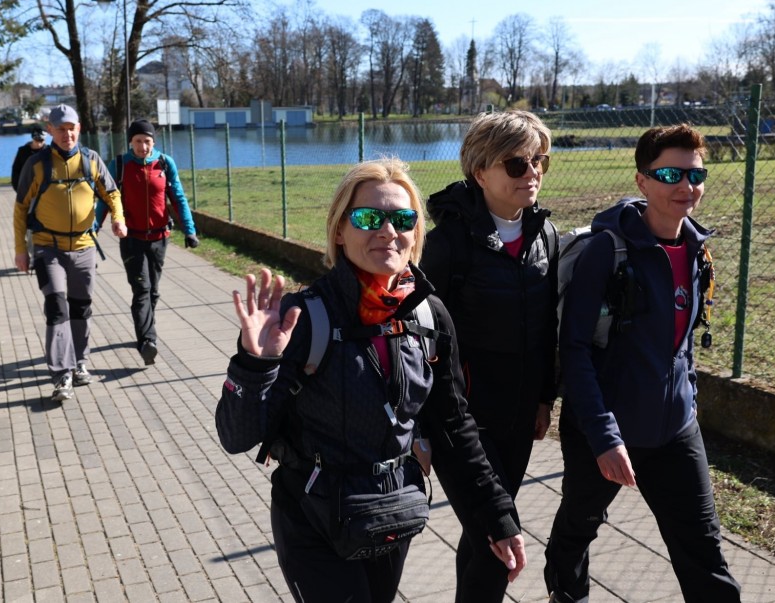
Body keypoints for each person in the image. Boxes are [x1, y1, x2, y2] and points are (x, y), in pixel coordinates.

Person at [215, 158, 527, 602]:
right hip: (312, 517)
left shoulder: (429, 316)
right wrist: (254, 364)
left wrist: (497, 514)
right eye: (367, 218)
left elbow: (454, 426)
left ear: (416, 233)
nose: (387, 230)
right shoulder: (301, 319)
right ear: (340, 230)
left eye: (402, 219)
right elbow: (236, 437)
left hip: (390, 511)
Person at [543, 124, 741, 602]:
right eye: (670, 174)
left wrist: (689, 400)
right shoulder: (606, 251)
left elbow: (682, 344)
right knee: (578, 530)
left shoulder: (697, 249)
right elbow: (575, 349)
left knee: (703, 549)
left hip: (675, 431)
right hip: (605, 430)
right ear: (642, 181)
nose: (686, 186)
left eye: (696, 175)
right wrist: (604, 437)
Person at [419, 110, 558, 603]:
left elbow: (547, 328)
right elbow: (420, 339)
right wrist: (421, 427)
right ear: (480, 172)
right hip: (463, 423)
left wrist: (544, 399)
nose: (532, 172)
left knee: (484, 538)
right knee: (501, 541)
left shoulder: (545, 235)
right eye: (517, 164)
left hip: (518, 419)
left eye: (539, 161)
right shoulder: (447, 245)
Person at [13, 104, 127, 402]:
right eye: (61, 129)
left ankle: (79, 362)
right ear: (50, 130)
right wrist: (20, 250)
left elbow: (112, 193)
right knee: (56, 307)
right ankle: (61, 374)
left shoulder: (91, 160)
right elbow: (20, 208)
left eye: (72, 128)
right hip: (47, 247)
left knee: (80, 307)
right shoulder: (37, 164)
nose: (68, 134)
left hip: (84, 247)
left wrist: (118, 218)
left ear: (79, 129)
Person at [96, 119, 199, 366]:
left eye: (147, 141)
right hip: (132, 239)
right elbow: (105, 199)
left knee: (153, 291)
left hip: (159, 239)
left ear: (154, 142)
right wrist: (94, 229)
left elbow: (178, 198)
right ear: (130, 142)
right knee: (141, 289)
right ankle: (147, 341)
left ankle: (145, 332)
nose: (143, 147)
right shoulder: (119, 165)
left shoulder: (164, 163)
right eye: (138, 141)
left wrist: (190, 230)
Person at [10, 127, 47, 192]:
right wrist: (17, 187)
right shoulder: (22, 151)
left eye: (41, 140)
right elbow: (16, 170)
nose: (39, 143)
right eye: (37, 140)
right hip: (26, 187)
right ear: (32, 139)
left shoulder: (48, 152)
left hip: (44, 189)